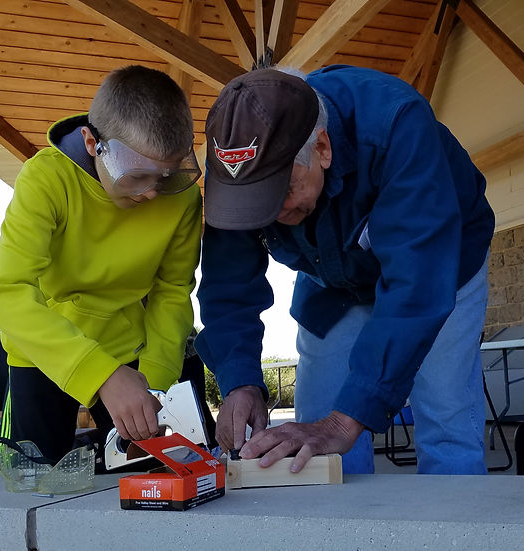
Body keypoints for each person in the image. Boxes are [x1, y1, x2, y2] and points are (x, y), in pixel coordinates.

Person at [195, 66, 496, 475]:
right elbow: (228, 281)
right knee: (314, 444)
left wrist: (344, 421)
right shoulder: (233, 165)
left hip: (440, 266)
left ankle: (456, 533)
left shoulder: (396, 124)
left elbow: (415, 286)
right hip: (331, 277)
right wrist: (239, 379)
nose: (273, 216)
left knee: (445, 417)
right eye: (253, 203)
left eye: (281, 193)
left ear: (322, 147)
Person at [0, 65, 203, 464]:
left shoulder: (183, 199)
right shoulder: (45, 178)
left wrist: (153, 387)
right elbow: (7, 294)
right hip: (43, 351)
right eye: (136, 175)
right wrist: (101, 374)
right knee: (29, 482)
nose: (152, 193)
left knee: (154, 479)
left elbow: (172, 293)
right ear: (91, 142)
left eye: (168, 175)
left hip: (133, 350)